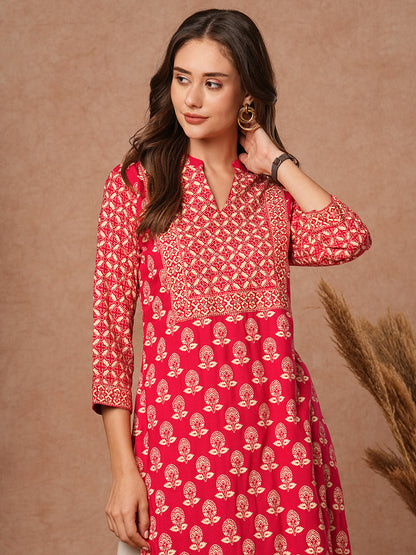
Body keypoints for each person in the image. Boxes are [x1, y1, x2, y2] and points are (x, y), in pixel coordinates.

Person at [92, 9, 371, 555]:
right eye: (182, 78)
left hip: (281, 443)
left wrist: (277, 162)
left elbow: (348, 237)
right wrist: (124, 471)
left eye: (213, 83)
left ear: (247, 95)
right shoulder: (138, 185)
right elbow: (110, 340)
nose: (191, 99)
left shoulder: (271, 197)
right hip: (181, 447)